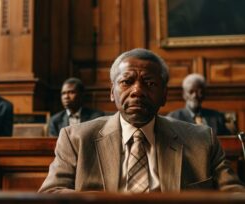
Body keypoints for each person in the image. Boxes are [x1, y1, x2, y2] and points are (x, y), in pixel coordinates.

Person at [39, 48, 244, 193]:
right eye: (127, 82)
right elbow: (51, 193)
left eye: (149, 83)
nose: (137, 90)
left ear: (164, 95)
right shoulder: (76, 138)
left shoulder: (202, 139)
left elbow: (234, 193)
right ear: (112, 92)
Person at [167, 73, 231, 136]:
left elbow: (227, 141)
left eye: (199, 92)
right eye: (191, 92)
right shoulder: (173, 118)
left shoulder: (216, 117)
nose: (195, 95)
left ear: (204, 94)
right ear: (184, 95)